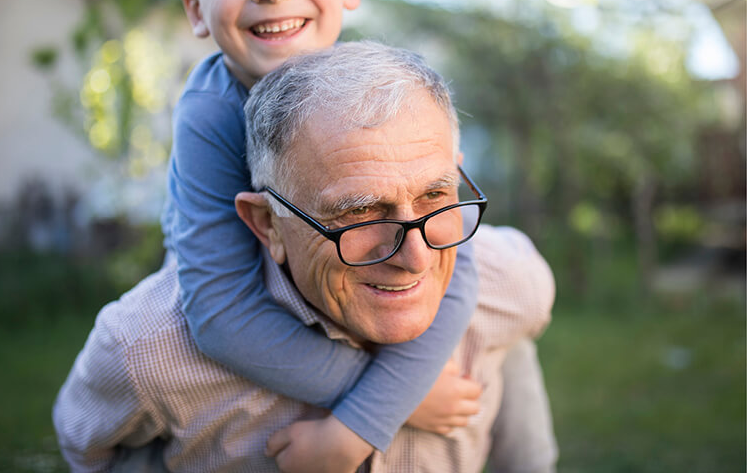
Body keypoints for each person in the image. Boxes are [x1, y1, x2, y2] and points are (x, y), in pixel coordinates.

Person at [53, 41, 556, 472]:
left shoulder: (510, 280)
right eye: (361, 213)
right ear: (268, 224)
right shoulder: (148, 349)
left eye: (435, 196)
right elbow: (88, 447)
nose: (417, 259)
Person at [158, 0, 516, 469]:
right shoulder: (209, 116)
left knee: (506, 320)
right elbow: (221, 312)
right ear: (195, 7)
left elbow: (459, 273)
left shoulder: (385, 91)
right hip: (282, 308)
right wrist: (386, 402)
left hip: (366, 290)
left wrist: (367, 412)